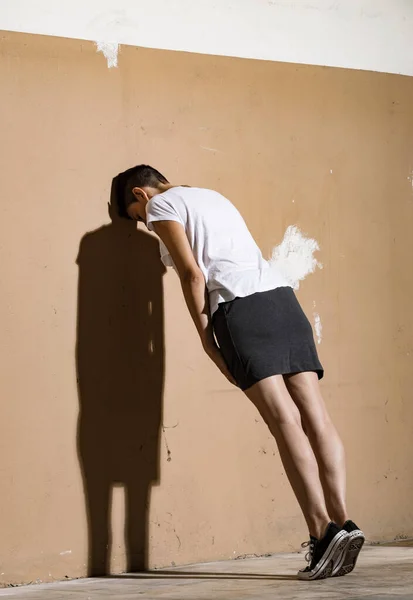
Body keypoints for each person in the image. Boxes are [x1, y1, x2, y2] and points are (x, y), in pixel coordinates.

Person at [117, 164, 364, 580]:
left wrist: (205, 338)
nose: (146, 226)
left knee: (284, 420)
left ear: (141, 195)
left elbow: (194, 274)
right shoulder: (211, 196)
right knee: (316, 415)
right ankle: (344, 524)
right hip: (282, 300)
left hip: (240, 309)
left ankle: (322, 533)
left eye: (138, 218)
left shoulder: (162, 205)